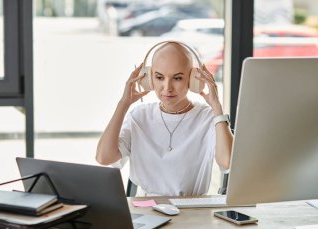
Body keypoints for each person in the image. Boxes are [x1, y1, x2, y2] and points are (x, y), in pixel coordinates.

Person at [96, 41, 233, 196]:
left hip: (192, 211)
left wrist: (217, 108)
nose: (167, 87)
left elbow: (227, 162)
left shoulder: (208, 118)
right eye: (159, 77)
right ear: (148, 79)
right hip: (148, 209)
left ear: (194, 79)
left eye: (178, 78)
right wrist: (123, 104)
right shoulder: (139, 116)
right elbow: (103, 157)